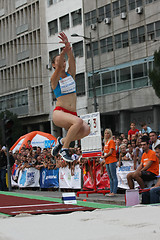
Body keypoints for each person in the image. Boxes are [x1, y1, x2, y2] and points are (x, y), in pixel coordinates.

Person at [50, 32, 90, 162]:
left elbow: (71, 60)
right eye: (59, 61)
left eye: (63, 61)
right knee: (78, 122)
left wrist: (68, 47)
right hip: (60, 112)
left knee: (86, 130)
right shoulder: (54, 79)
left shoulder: (70, 75)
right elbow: (61, 62)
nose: (63, 62)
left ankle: (61, 141)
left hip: (72, 113)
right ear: (54, 65)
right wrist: (62, 53)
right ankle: (65, 149)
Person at [101, 129, 118, 196]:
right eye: (105, 133)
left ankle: (114, 191)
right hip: (107, 160)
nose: (106, 134)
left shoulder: (111, 141)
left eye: (108, 133)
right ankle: (111, 191)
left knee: (113, 176)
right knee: (110, 177)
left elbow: (111, 152)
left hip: (112, 160)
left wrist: (104, 156)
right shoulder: (106, 142)